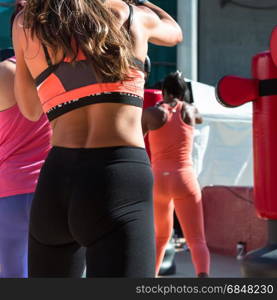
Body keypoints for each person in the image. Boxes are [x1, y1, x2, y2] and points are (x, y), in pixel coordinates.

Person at [12, 0, 182, 277]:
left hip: (56, 180)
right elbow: (175, 32)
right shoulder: (133, 16)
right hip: (118, 177)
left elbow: (30, 110)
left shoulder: (27, 25)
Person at [0, 0, 51, 278]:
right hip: (54, 186)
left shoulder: (4, 72)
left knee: (13, 276)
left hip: (10, 191)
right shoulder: (61, 70)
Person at [142, 71, 210, 278]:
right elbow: (199, 119)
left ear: (163, 91)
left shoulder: (152, 114)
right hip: (184, 178)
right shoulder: (191, 110)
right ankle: (204, 278)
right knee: (197, 239)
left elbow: (136, 139)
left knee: (160, 237)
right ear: (182, 92)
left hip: (158, 180)